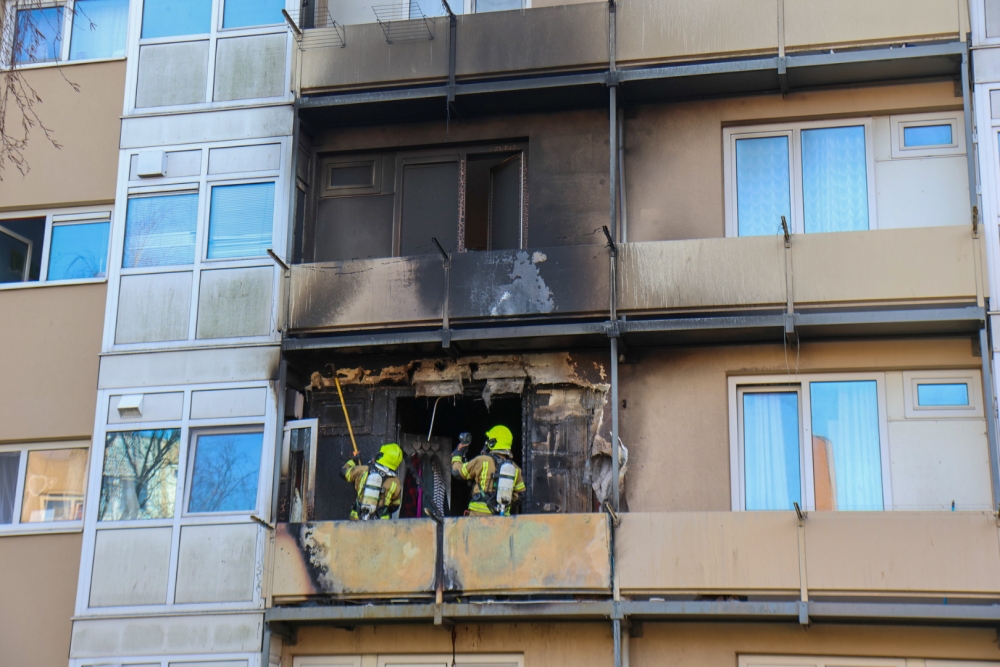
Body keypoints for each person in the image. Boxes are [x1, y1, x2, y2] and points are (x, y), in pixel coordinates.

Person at [451, 425, 526, 516]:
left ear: (492, 443)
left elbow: (458, 472)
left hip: (478, 517)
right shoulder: (515, 468)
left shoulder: (481, 460)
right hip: (503, 521)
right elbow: (520, 496)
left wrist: (458, 454)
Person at [342, 443, 403, 520]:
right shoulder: (396, 482)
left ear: (381, 455)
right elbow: (395, 506)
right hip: (381, 524)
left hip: (357, 519)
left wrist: (353, 460)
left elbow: (343, 473)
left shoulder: (363, 470)